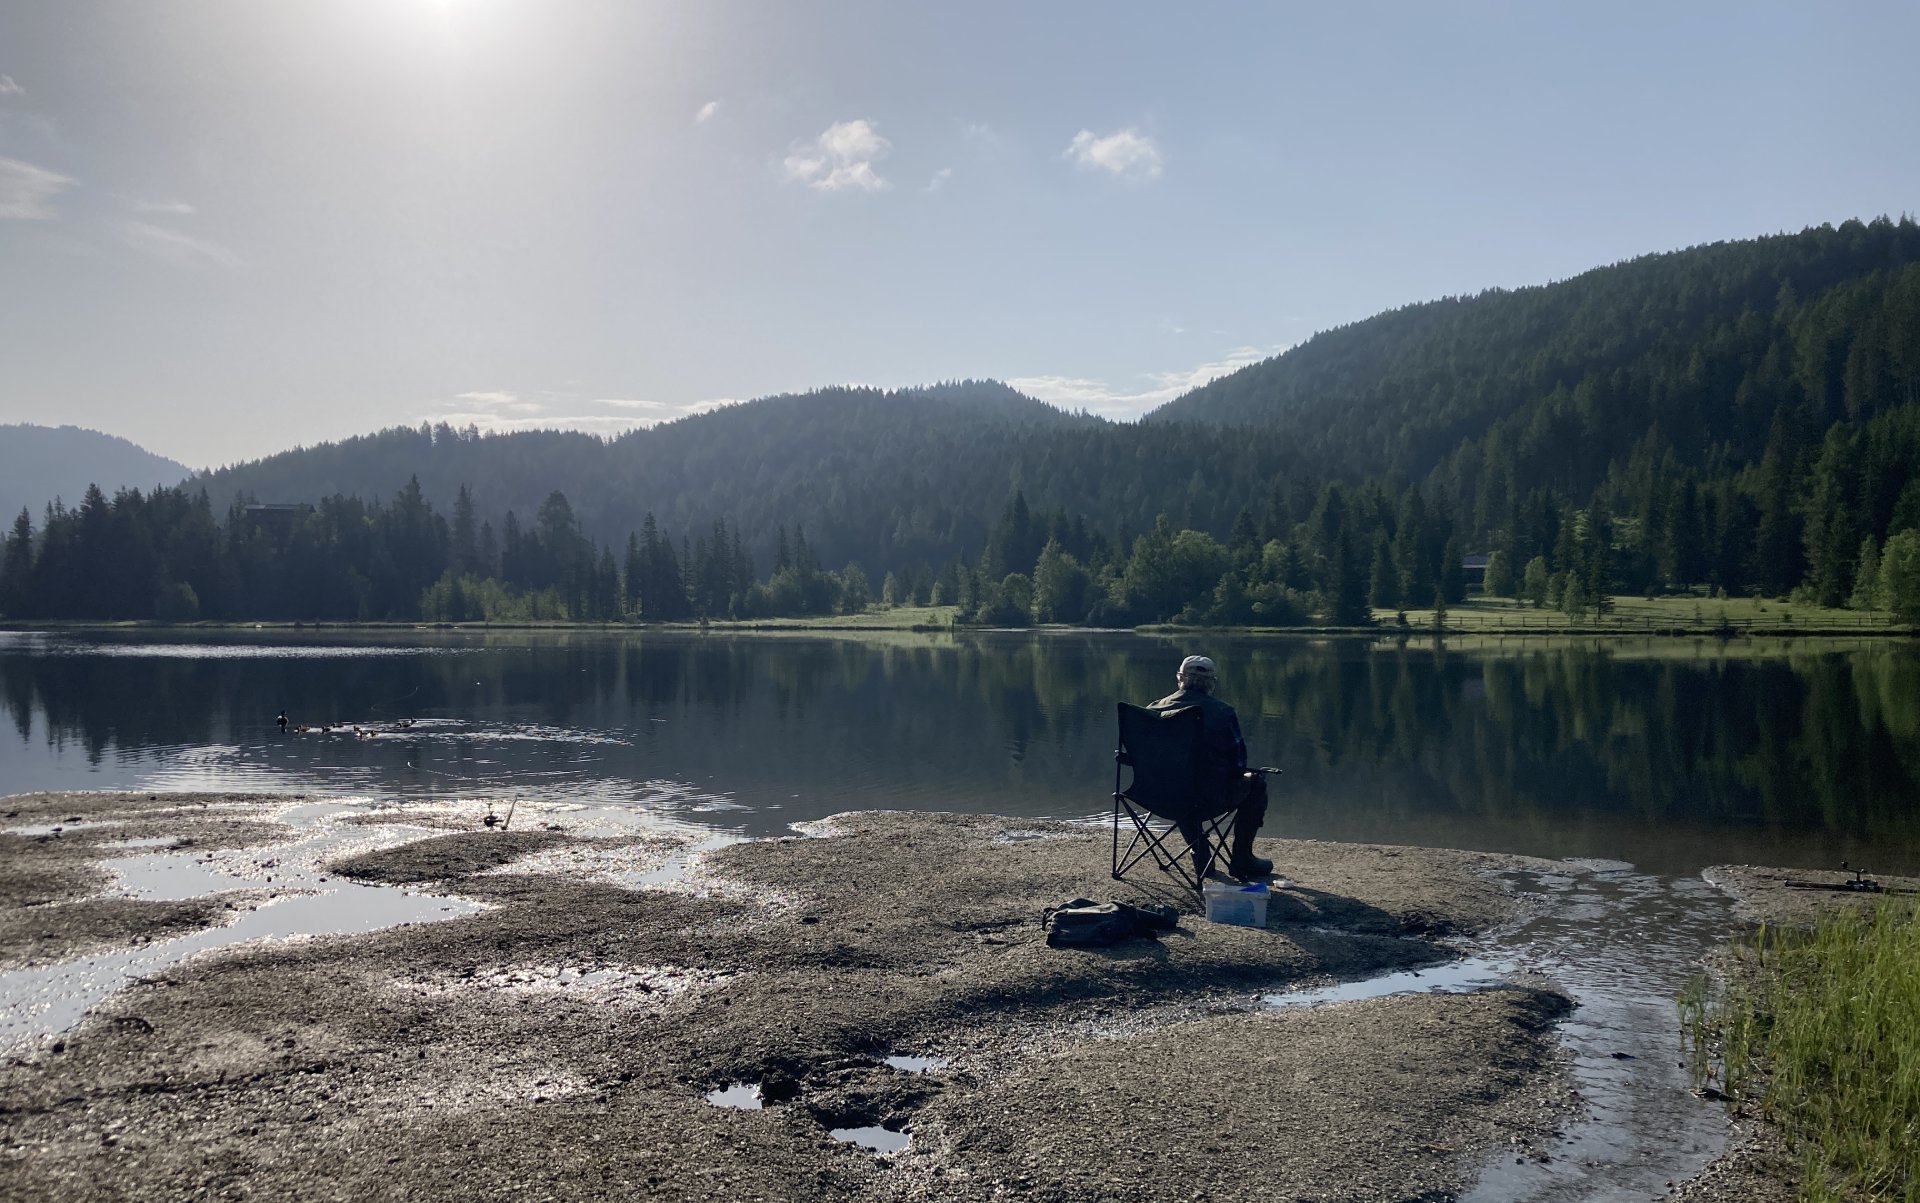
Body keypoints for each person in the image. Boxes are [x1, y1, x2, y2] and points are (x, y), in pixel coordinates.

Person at [1147, 654, 1274, 881]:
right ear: (1212, 683)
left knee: (1181, 783)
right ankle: (1242, 859)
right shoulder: (1224, 713)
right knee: (1256, 784)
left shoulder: (1154, 710)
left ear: (1180, 678)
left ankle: (1200, 849)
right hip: (1208, 798)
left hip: (1157, 797)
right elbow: (1238, 764)